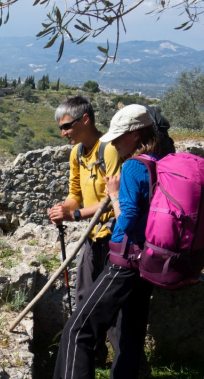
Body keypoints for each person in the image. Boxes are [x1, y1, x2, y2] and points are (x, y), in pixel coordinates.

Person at [51, 104, 159, 379]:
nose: (115, 144)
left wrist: (113, 196)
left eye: (120, 138)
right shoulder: (157, 164)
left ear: (135, 135)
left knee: (79, 328)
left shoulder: (132, 168)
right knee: (129, 331)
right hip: (148, 260)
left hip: (124, 257)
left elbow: (125, 220)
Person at [48, 96, 122, 363]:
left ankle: (129, 366)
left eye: (67, 126)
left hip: (114, 237)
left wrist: (75, 214)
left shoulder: (110, 150)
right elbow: (74, 194)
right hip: (93, 236)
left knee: (112, 303)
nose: (64, 133)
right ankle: (93, 356)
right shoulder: (77, 153)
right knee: (84, 297)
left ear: (85, 119)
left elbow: (116, 202)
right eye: (61, 128)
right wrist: (63, 210)